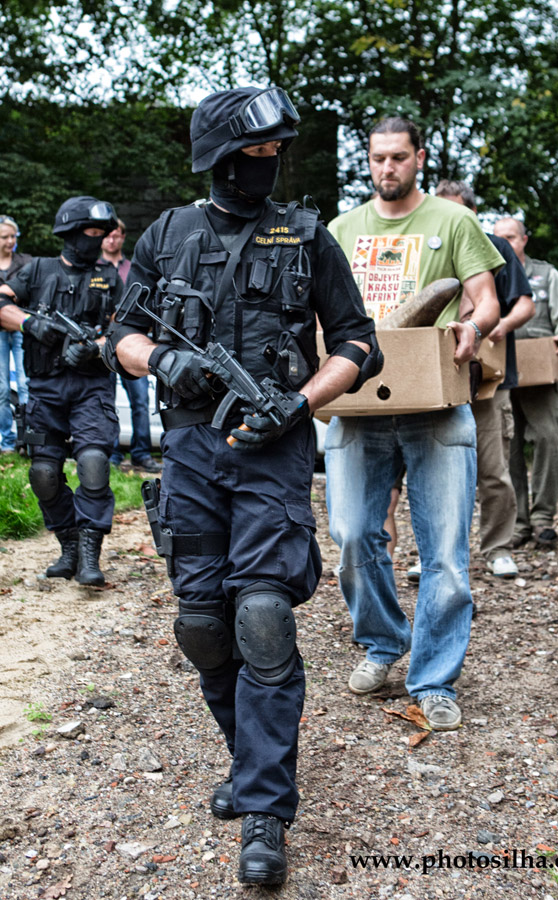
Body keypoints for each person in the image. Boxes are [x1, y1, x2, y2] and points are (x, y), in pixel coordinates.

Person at [103, 86, 378, 885]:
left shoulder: (307, 235)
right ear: (220, 158)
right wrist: (163, 359)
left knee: (262, 616)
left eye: (276, 152)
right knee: (202, 625)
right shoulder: (168, 234)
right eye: (257, 152)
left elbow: (358, 343)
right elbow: (121, 335)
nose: (270, 164)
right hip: (191, 448)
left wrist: (300, 402)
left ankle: (265, 807)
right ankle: (249, 756)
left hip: (273, 450)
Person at [326, 117, 503, 729]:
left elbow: (486, 298)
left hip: (436, 405)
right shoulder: (342, 229)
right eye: (378, 158)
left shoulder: (453, 222)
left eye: (398, 157)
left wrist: (472, 327)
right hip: (359, 405)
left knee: (445, 554)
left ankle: (433, 678)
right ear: (367, 159)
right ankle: (383, 642)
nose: (387, 168)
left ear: (419, 158)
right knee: (352, 535)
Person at [0, 196, 122, 586]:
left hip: (92, 388)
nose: (98, 240)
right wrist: (29, 324)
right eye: (91, 232)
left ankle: (89, 554)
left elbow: (126, 331)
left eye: (102, 233)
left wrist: (97, 347)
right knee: (43, 473)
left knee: (93, 464)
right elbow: (2, 303)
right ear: (70, 232)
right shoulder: (37, 270)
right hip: (44, 389)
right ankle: (69, 546)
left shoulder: (109, 277)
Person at [435, 181, 534, 577]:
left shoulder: (496, 248)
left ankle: (497, 548)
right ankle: (439, 552)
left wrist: (499, 325)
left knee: (493, 469)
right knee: (438, 473)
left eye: (456, 211)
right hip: (438, 381)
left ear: (472, 213)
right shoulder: (430, 248)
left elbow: (524, 304)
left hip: (490, 380)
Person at [493, 217, 558, 547]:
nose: (505, 243)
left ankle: (543, 517)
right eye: (498, 237)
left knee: (548, 438)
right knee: (508, 448)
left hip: (540, 371)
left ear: (524, 240)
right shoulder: (487, 274)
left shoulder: (545, 274)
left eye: (511, 237)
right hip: (499, 374)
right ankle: (519, 523)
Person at [100, 219, 160, 474]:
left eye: (117, 235)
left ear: (123, 237)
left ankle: (141, 453)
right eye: (108, 235)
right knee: (108, 402)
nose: (112, 240)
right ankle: (113, 452)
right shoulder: (95, 269)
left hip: (132, 342)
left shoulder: (133, 268)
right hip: (103, 344)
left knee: (140, 400)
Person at [0, 215, 31, 453]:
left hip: (22, 328)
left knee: (25, 384)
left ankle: (29, 439)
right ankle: (7, 441)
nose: (10, 241)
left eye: (13, 236)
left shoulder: (26, 262)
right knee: (1, 389)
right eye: (5, 237)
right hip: (0, 331)